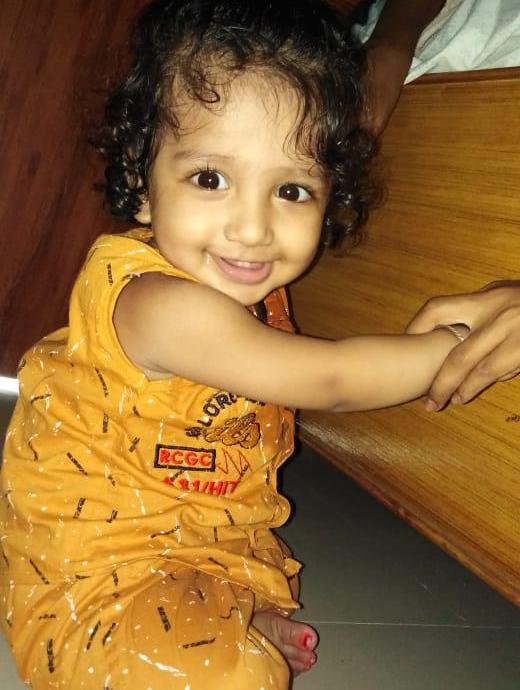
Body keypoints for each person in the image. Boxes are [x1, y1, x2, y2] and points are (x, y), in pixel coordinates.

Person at [0, 1, 472, 688]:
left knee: (230, 619)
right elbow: (333, 380)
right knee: (236, 678)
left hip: (208, 534)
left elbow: (358, 119)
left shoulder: (233, 249)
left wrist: (404, 23)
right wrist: (461, 343)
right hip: (97, 575)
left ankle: (233, 611)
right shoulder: (161, 308)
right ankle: (226, 628)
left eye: (291, 190)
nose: (252, 228)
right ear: (140, 184)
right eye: (210, 179)